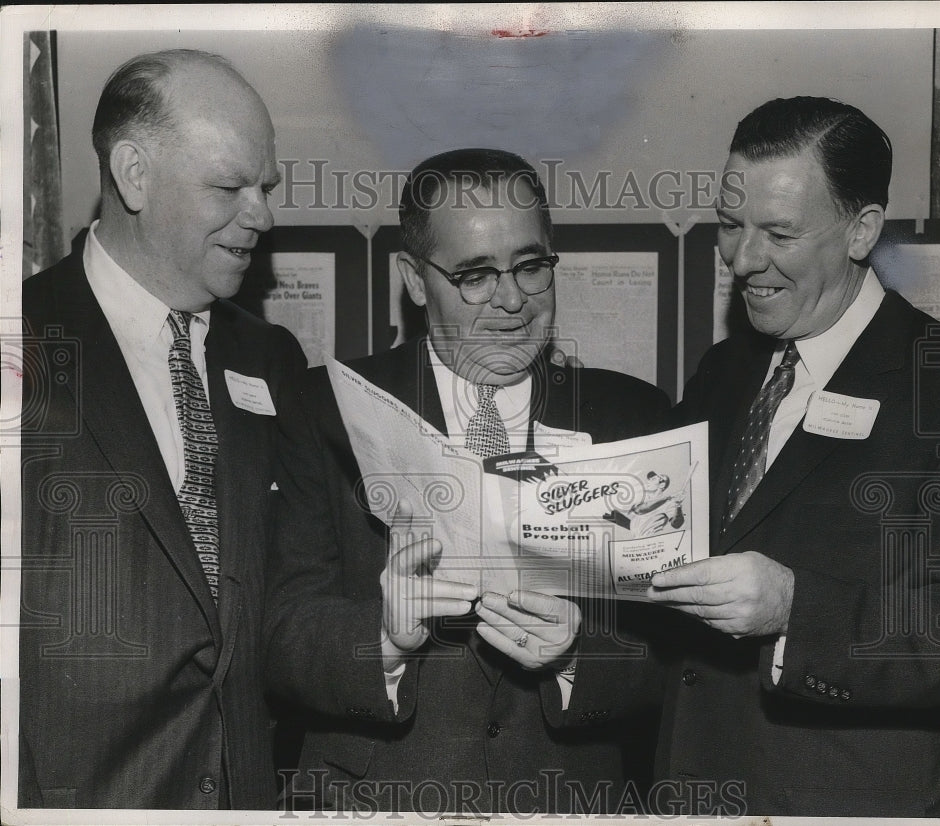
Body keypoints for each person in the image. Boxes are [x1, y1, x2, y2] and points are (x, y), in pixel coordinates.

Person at [264, 148, 672, 814]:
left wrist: (575, 658)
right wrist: (383, 637)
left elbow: (681, 662)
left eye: (532, 266)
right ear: (415, 279)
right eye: (476, 275)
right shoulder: (325, 408)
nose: (512, 300)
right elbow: (280, 633)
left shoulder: (633, 416)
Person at [648, 97, 940, 817]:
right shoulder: (724, 373)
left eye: (779, 233)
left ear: (862, 232)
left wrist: (797, 610)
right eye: (731, 226)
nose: (743, 260)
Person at [19, 49, 306, 809]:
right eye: (229, 187)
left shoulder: (270, 357)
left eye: (265, 188)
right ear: (134, 173)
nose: (262, 216)